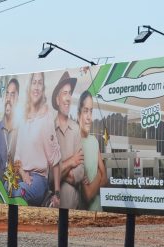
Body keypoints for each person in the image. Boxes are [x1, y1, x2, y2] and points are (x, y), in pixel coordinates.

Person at [11, 72, 59, 206]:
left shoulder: (47, 117)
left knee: (18, 192)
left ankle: (46, 198)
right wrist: (23, 174)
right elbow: (17, 156)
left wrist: (57, 192)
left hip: (38, 179)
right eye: (34, 82)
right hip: (22, 176)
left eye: (40, 83)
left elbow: (55, 158)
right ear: (29, 87)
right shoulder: (22, 119)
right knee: (5, 186)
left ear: (43, 88)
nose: (36, 87)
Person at [51, 72, 84, 209]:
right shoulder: (50, 129)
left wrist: (59, 171)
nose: (68, 98)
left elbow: (80, 173)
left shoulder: (76, 129)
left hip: (74, 209)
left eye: (70, 93)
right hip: (53, 209)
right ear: (58, 100)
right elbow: (49, 178)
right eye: (64, 93)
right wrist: (71, 161)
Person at [77, 91, 106, 211]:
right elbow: (88, 195)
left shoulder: (94, 141)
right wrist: (100, 174)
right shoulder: (76, 143)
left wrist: (99, 176)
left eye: (91, 111)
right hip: (84, 216)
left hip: (100, 211)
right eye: (85, 111)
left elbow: (106, 179)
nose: (89, 117)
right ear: (78, 114)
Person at [1, 78, 20, 164]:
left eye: (12, 95)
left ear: (17, 98)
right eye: (7, 94)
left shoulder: (23, 129)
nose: (8, 99)